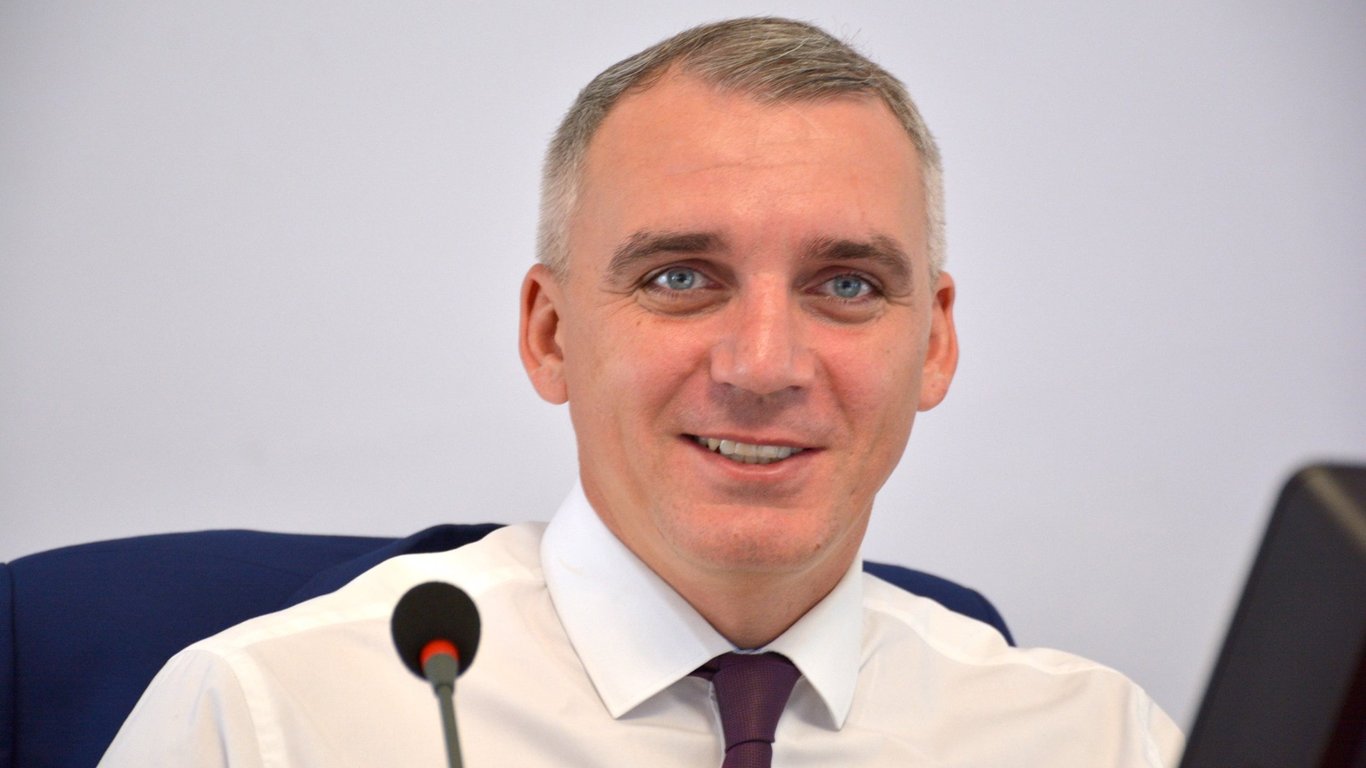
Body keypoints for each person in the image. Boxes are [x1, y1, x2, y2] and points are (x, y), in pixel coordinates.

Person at [100, 17, 1183, 767]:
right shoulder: (269, 721)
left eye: (846, 285)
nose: (763, 366)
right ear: (551, 335)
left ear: (934, 345)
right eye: (680, 279)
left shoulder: (1102, 739)